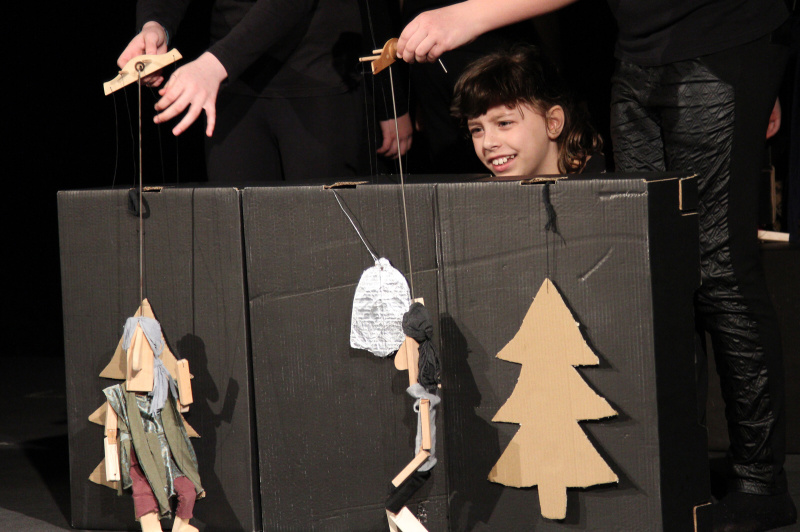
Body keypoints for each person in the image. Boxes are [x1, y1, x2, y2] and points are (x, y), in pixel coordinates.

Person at [397, 2, 796, 531]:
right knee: (656, 271)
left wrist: (470, 14)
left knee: (718, 268)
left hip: (716, 42)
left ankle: (760, 483)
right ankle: (682, 470)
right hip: (639, 54)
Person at [117, 0, 412, 183]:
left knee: (323, 234)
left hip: (317, 84)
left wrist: (215, 64)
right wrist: (155, 25)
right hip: (233, 88)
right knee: (241, 236)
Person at [451, 45, 603, 178]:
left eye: (504, 123)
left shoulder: (604, 189)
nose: (487, 143)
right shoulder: (482, 196)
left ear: (553, 122)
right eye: (477, 130)